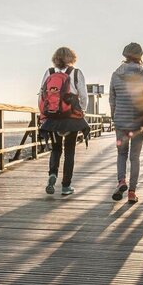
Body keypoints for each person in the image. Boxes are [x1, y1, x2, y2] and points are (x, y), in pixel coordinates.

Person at [38, 46, 89, 196]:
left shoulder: (49, 73)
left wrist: (43, 115)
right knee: (70, 151)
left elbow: (42, 95)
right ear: (72, 58)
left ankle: (52, 174)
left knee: (56, 148)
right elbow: (84, 96)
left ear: (56, 58)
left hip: (53, 118)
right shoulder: (76, 73)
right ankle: (66, 186)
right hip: (71, 117)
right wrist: (82, 112)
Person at [108, 42, 143, 203]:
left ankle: (121, 182)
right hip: (138, 124)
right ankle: (132, 192)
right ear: (140, 57)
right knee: (135, 157)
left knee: (121, 154)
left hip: (120, 121)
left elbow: (112, 99)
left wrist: (114, 116)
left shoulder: (115, 75)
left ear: (125, 56)